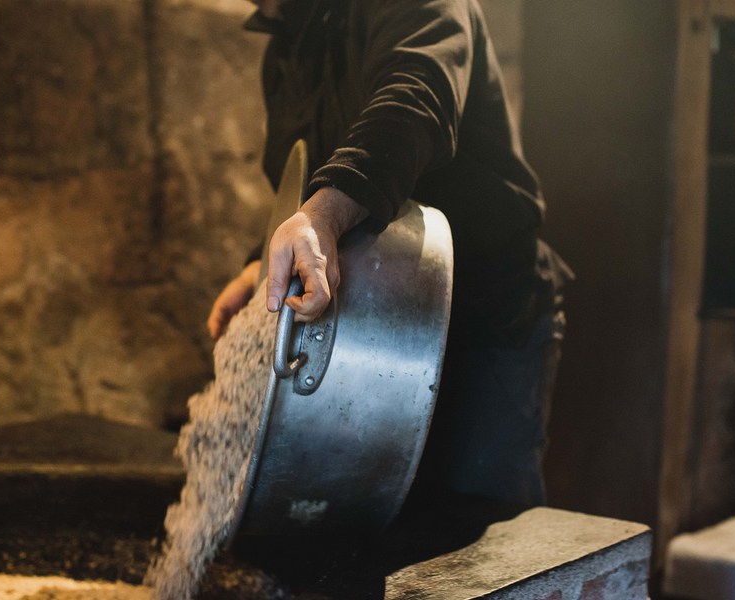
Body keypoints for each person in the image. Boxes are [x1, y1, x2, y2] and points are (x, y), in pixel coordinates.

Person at [207, 0, 572, 510]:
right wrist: (261, 267)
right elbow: (307, 181)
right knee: (392, 534)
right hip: (379, 339)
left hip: (485, 327)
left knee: (482, 540)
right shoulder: (288, 46)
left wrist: (325, 217)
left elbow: (415, 98)